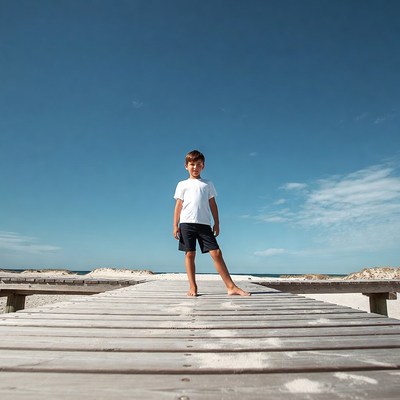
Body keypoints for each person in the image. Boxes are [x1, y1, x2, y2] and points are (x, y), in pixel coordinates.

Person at [173, 150, 250, 297]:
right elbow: (178, 205)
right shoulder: (182, 184)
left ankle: (231, 287)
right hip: (186, 223)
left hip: (204, 224)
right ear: (186, 166)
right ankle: (193, 287)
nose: (195, 167)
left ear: (203, 166)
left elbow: (213, 204)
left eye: (199, 164)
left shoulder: (208, 184)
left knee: (216, 253)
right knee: (190, 254)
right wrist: (175, 225)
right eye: (192, 164)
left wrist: (217, 223)